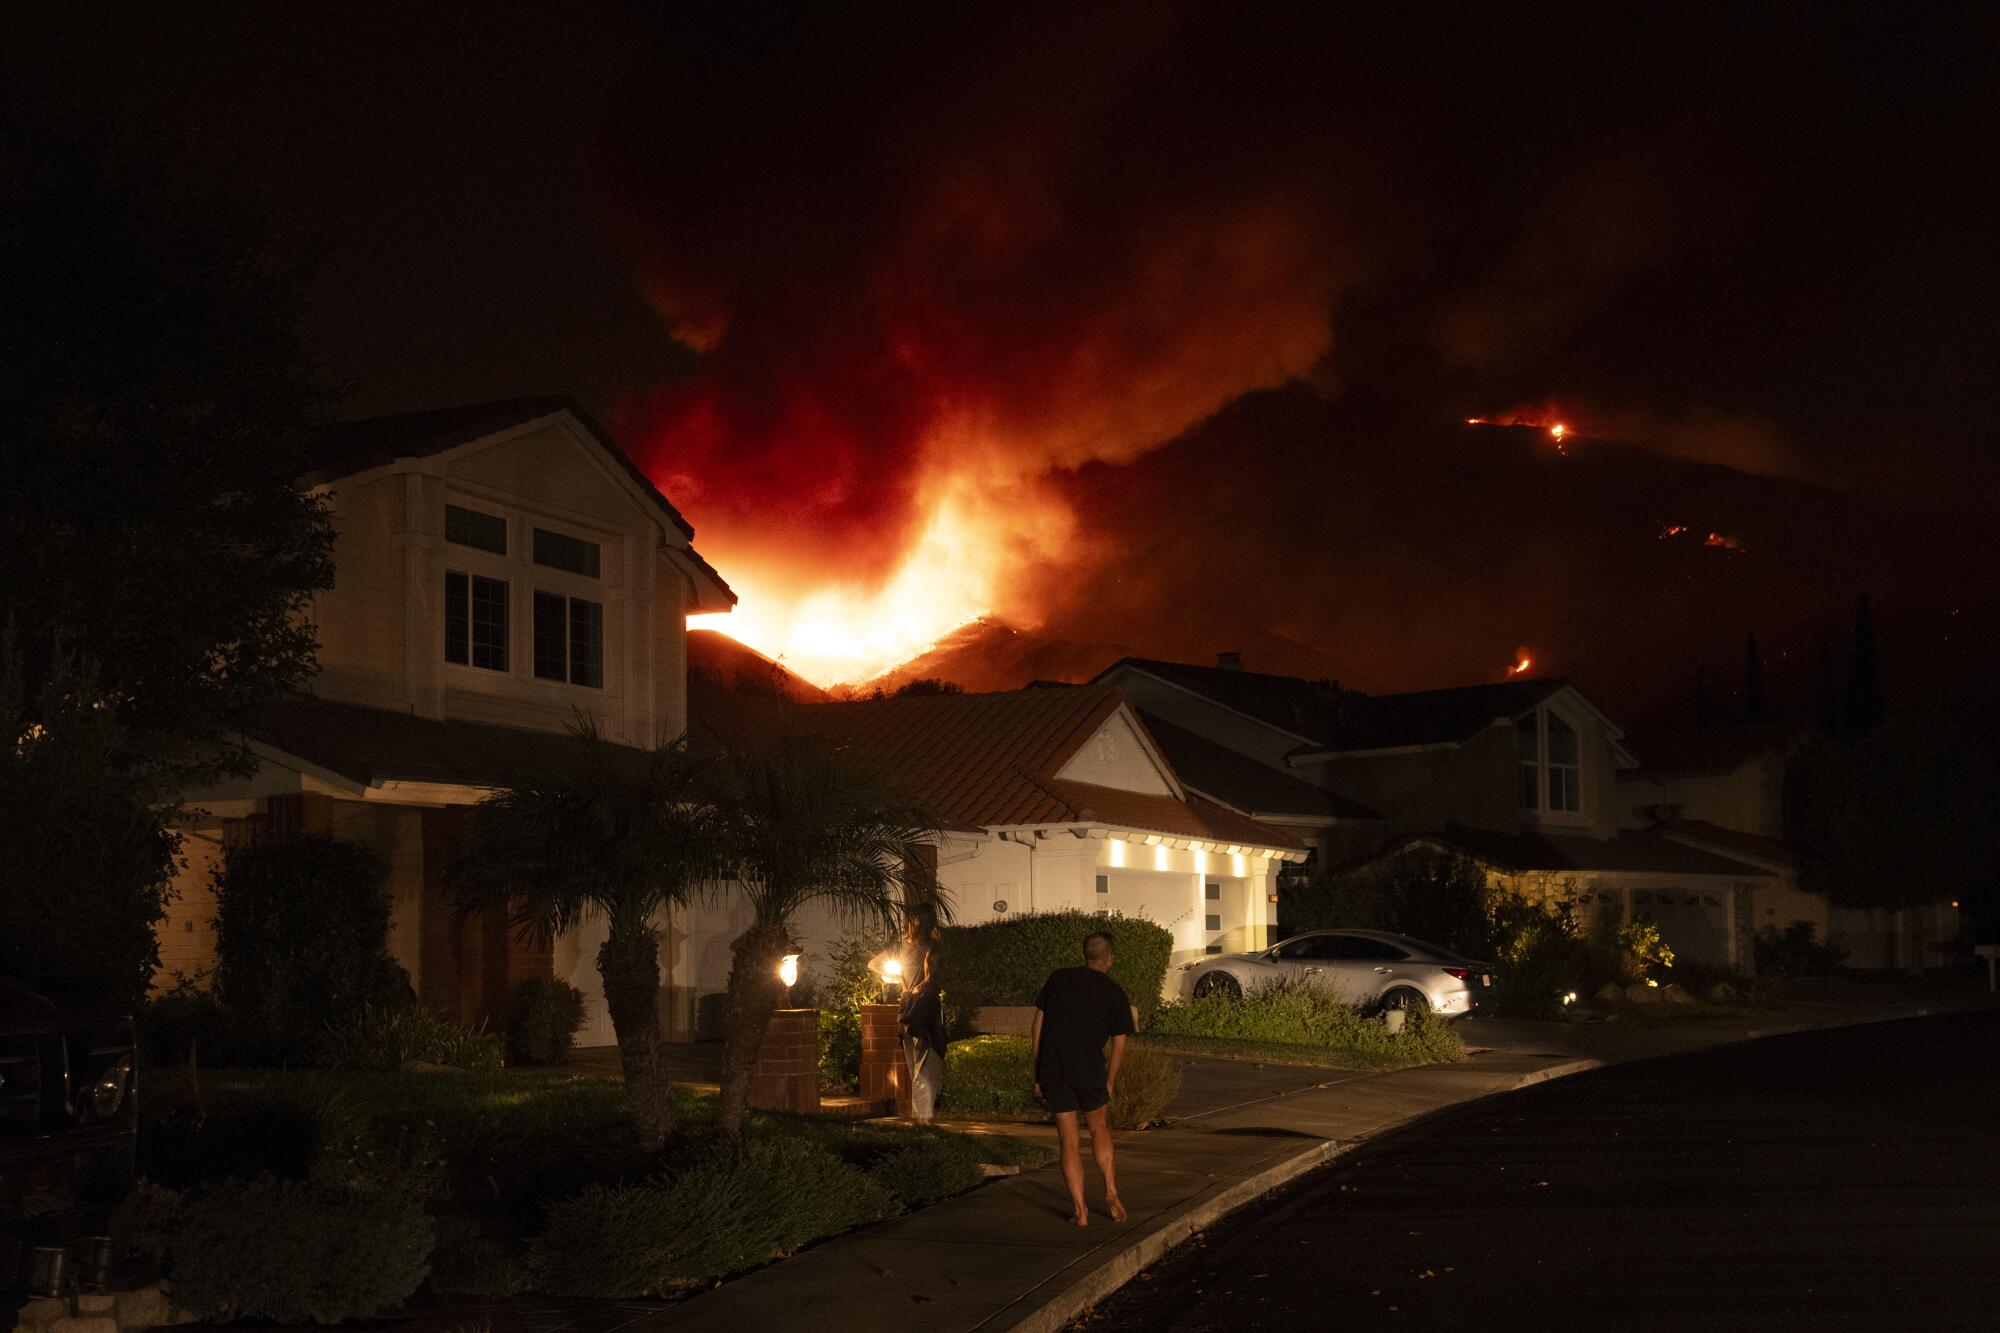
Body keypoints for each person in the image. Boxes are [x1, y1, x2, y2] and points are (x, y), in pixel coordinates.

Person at [1031, 930, 1135, 1226]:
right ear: (1110, 959)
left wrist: (1039, 1070)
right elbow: (1119, 1042)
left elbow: (1037, 1027)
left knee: (1069, 1141)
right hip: (1090, 1070)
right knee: (1099, 1128)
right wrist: (1110, 1080)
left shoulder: (1058, 979)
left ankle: (1080, 1210)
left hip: (1055, 1069)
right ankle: (1111, 1192)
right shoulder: (1115, 993)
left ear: (1085, 955)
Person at [898, 946, 946, 1124]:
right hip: (921, 1025)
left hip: (912, 1022)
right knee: (923, 1072)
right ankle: (922, 1120)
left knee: (919, 1072)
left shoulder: (924, 988)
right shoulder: (928, 987)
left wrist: (907, 989)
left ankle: (921, 1120)